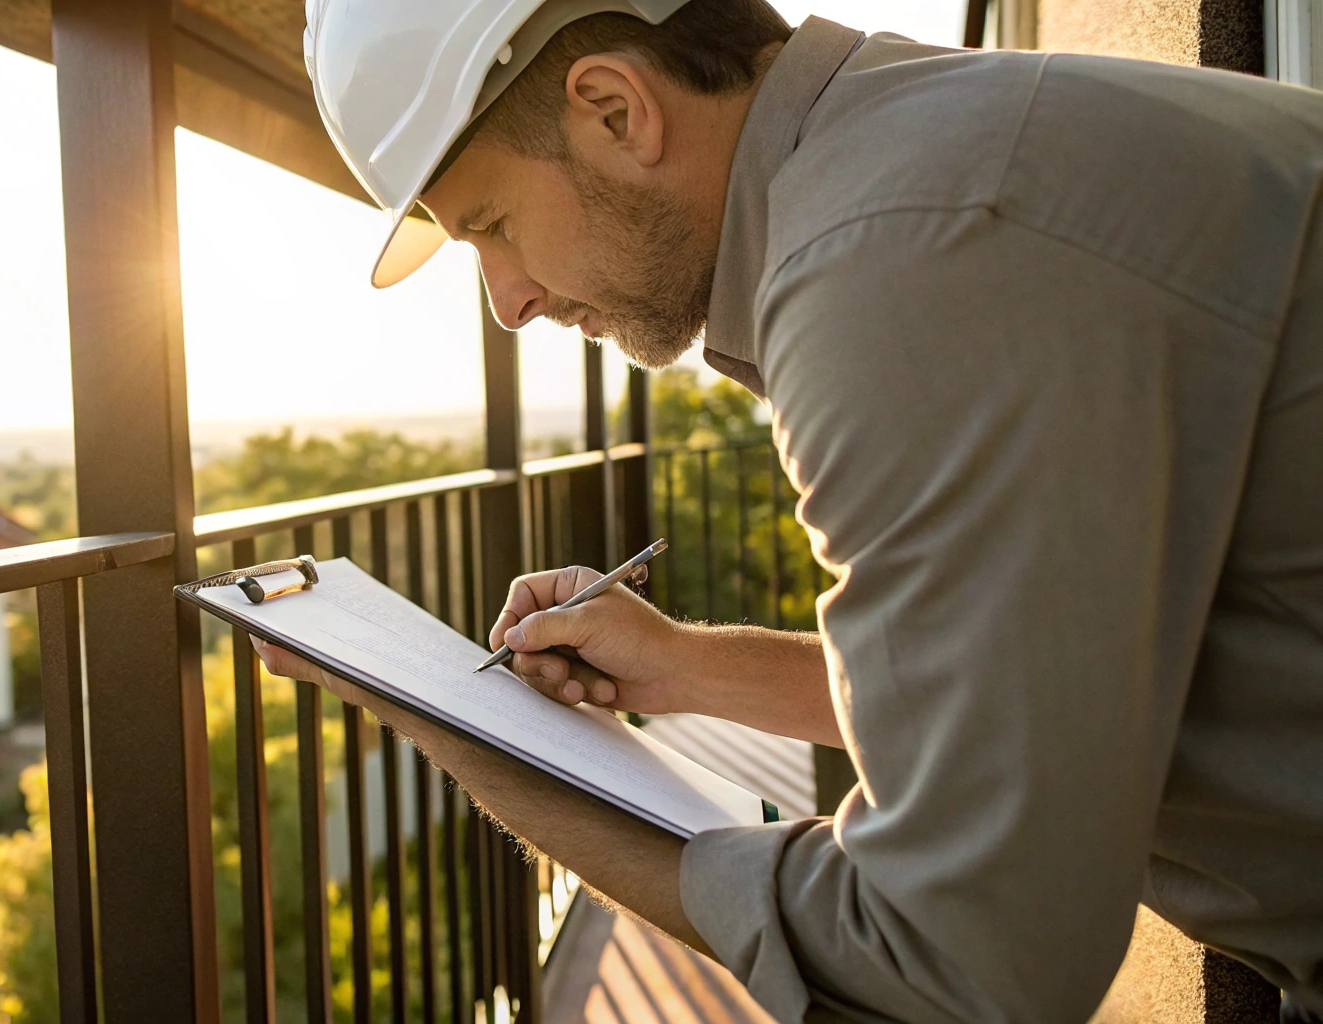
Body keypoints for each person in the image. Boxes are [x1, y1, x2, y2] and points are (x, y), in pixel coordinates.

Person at [258, 1, 1323, 1020]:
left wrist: (470, 738)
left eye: (488, 225)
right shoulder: (921, 160)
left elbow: (947, 965)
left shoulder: (893, 261)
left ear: (616, 111)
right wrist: (678, 662)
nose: (507, 299)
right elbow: (1027, 680)